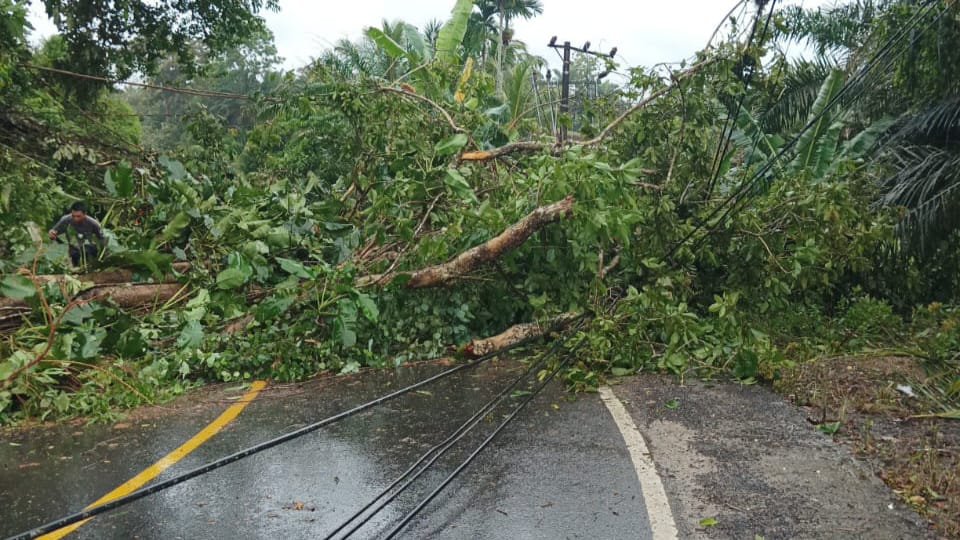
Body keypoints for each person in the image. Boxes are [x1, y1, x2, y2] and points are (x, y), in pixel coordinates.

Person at [48, 202, 104, 266]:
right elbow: (54, 232)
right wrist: (52, 234)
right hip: (73, 249)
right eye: (73, 216)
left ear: (85, 214)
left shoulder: (93, 223)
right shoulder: (65, 220)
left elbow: (102, 239)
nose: (75, 219)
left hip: (89, 249)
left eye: (78, 216)